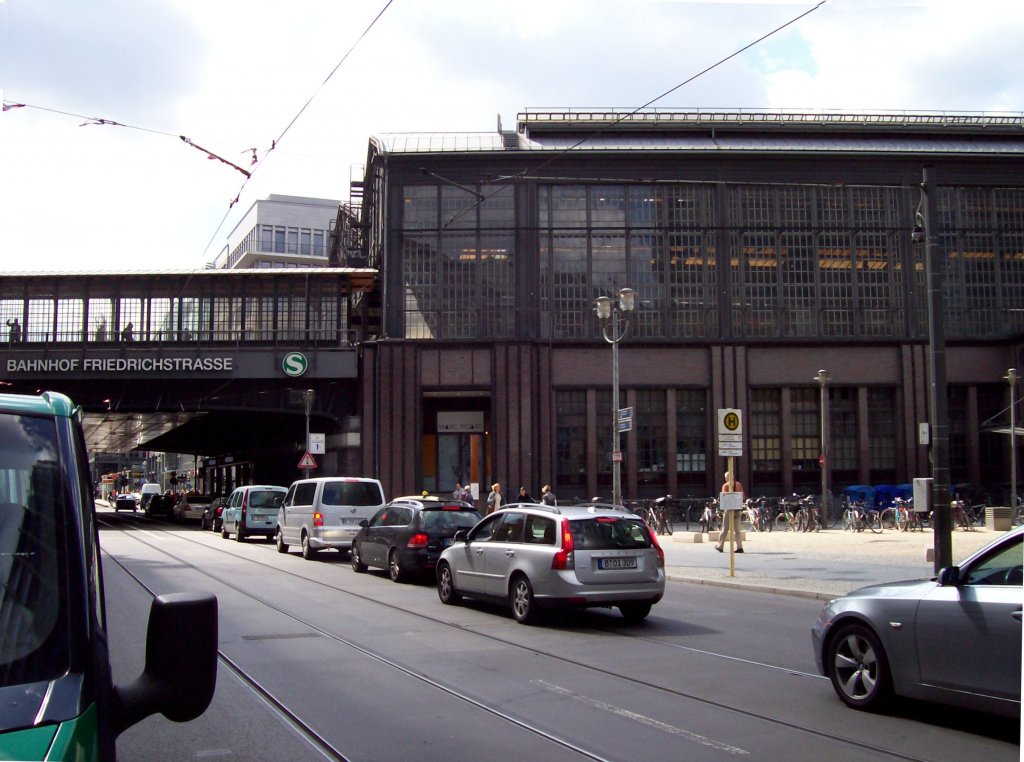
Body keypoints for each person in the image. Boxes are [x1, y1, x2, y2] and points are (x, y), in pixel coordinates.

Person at [715, 471, 745, 553]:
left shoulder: (725, 485)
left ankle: (720, 546)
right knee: (737, 530)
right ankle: (740, 547)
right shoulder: (738, 484)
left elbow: (724, 497)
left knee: (725, 529)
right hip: (738, 509)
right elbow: (743, 495)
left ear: (726, 478)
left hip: (729, 510)